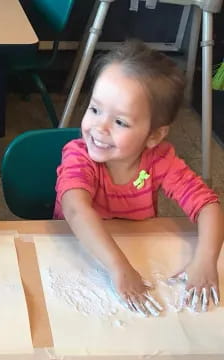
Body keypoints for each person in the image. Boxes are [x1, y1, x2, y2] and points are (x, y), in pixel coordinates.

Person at [54, 40, 222, 316]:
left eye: (120, 122)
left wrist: (205, 261)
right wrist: (119, 267)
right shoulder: (79, 156)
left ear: (154, 135)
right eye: (95, 109)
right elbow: (76, 209)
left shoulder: (159, 160)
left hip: (140, 245)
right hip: (75, 251)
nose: (99, 128)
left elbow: (208, 206)